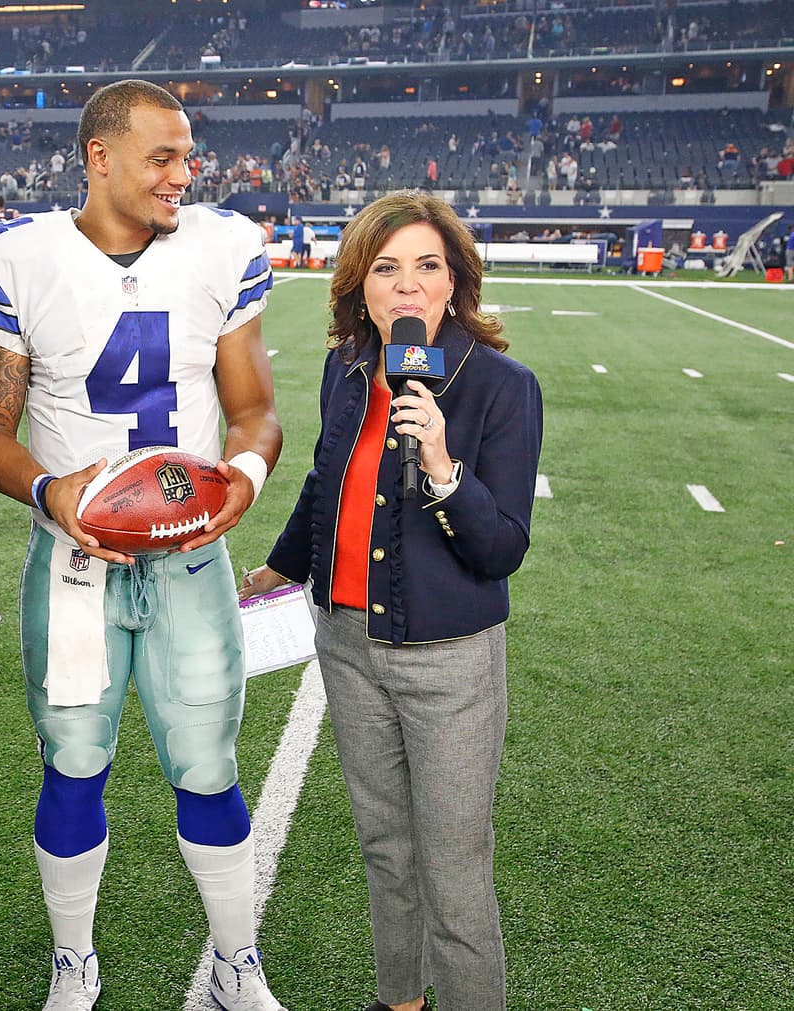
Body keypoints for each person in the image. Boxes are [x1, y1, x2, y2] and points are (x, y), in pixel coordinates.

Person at [0, 79, 286, 1011]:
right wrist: (52, 490)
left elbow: (256, 411)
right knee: (72, 760)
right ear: (99, 156)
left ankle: (235, 960)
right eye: (163, 156)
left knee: (207, 762)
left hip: (190, 554)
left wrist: (242, 485)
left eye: (190, 156)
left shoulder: (223, 248)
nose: (185, 175)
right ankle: (75, 957)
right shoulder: (21, 257)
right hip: (73, 566)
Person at [241, 191, 543, 1011]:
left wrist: (443, 468)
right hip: (346, 643)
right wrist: (279, 567)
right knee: (384, 845)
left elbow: (501, 547)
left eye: (427, 267)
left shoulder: (502, 387)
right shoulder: (350, 369)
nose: (407, 286)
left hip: (448, 662)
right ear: (359, 285)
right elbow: (324, 479)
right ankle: (400, 999)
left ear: (454, 283)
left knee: (453, 867)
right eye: (386, 268)